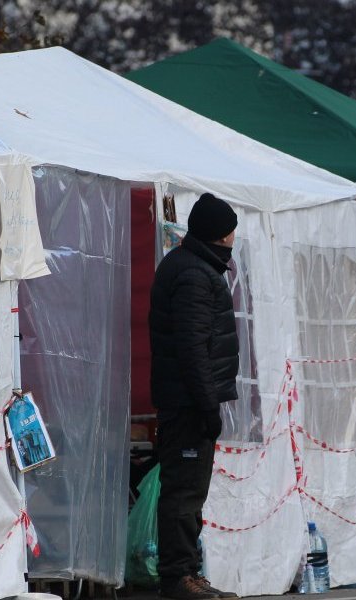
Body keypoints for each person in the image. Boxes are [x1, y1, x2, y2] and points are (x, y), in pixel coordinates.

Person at [149, 193, 240, 600]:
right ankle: (177, 577)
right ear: (219, 233)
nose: (234, 237)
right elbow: (192, 348)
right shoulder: (193, 275)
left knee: (190, 491)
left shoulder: (196, 267)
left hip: (187, 399)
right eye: (231, 229)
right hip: (187, 402)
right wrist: (207, 405)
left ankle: (187, 571)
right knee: (184, 493)